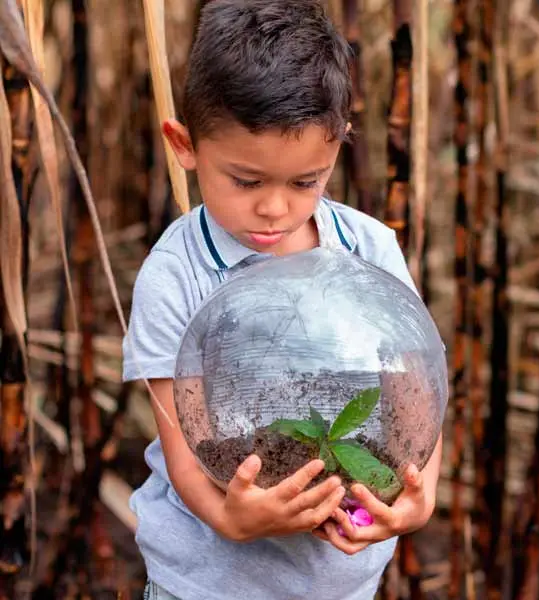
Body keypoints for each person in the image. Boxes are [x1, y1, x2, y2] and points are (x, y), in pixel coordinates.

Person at [121, 2, 441, 598]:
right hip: (206, 584)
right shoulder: (176, 274)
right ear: (184, 145)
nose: (274, 208)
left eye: (305, 182)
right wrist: (229, 517)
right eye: (245, 181)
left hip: (342, 583)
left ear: (338, 145)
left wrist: (419, 498)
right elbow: (183, 446)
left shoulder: (368, 247)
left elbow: (416, 392)